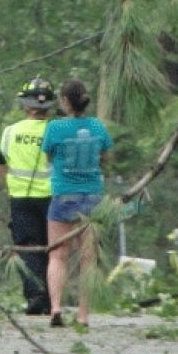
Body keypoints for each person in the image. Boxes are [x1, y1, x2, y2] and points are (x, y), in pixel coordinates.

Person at [43, 79, 113, 328]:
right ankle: (83, 314)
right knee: (88, 259)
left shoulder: (55, 128)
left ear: (64, 101)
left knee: (58, 255)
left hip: (63, 195)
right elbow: (105, 156)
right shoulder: (98, 127)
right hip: (92, 196)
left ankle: (55, 307)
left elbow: (49, 155)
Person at [0, 76, 55, 315]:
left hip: (20, 199)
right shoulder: (55, 130)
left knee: (27, 249)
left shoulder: (10, 132)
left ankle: (35, 297)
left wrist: (9, 187)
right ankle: (52, 298)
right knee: (52, 249)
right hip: (51, 198)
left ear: (25, 106)